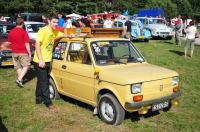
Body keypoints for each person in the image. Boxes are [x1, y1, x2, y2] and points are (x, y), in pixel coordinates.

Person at [33, 14, 64, 109]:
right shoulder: (43, 30)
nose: (55, 24)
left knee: (41, 80)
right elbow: (37, 45)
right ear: (49, 21)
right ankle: (48, 102)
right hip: (40, 61)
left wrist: (72, 35)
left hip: (47, 60)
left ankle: (38, 98)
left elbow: (64, 34)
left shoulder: (55, 32)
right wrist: (41, 60)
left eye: (57, 22)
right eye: (54, 22)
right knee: (44, 82)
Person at [8, 17, 31, 87]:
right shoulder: (24, 31)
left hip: (14, 52)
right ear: (22, 23)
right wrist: (29, 53)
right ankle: (19, 79)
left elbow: (9, 42)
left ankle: (20, 81)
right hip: (23, 52)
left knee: (18, 67)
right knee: (26, 65)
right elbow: (27, 43)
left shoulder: (11, 31)